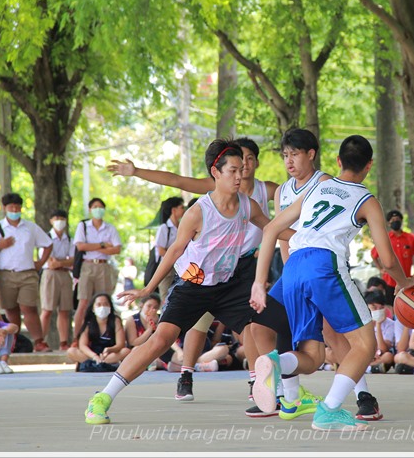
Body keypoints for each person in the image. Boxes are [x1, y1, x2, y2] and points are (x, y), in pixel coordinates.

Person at [84, 139, 293, 425]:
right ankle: (103, 397)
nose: (239, 175)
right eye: (232, 170)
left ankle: (272, 392)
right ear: (215, 173)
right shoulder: (198, 211)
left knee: (262, 324)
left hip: (230, 285)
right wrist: (148, 288)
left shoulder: (248, 204)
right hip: (192, 287)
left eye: (241, 169)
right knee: (161, 340)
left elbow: (274, 230)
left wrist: (315, 236)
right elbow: (174, 250)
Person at [249, 135, 414, 431]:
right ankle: (329, 410)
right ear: (369, 166)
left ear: (338, 162)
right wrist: (405, 283)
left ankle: (276, 364)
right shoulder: (367, 200)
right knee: (365, 344)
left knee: (311, 358)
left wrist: (259, 283)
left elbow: (272, 228)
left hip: (294, 268)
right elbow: (388, 260)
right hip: (324, 266)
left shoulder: (317, 187)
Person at [0, 192, 53, 352]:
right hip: (4, 274)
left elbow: (48, 243)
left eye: (17, 207)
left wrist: (40, 263)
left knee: (29, 307)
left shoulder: (30, 227)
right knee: (11, 309)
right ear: (4, 208)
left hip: (27, 273)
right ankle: (14, 341)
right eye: (11, 207)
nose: (14, 210)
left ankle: (39, 341)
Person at [73, 197, 122, 338]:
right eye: (95, 207)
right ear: (90, 209)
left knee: (104, 301)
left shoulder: (110, 228)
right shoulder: (83, 226)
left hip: (104, 266)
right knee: (83, 302)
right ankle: (77, 337)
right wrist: (102, 245)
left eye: (100, 207)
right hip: (87, 266)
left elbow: (117, 249)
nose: (98, 210)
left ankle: (106, 336)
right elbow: (81, 246)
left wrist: (97, 248)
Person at [39, 209, 75, 351]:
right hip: (50, 275)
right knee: (47, 309)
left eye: (62, 218)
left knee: (65, 310)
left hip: (65, 275)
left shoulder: (70, 239)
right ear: (51, 221)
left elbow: (72, 259)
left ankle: (64, 342)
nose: (59, 221)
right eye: (56, 218)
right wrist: (63, 261)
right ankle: (40, 341)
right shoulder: (46, 238)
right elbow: (49, 262)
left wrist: (60, 262)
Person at [67, 293, 130, 372]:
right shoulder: (89, 322)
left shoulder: (115, 321)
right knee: (71, 351)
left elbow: (120, 344)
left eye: (105, 304)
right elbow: (82, 345)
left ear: (110, 307)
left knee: (126, 351)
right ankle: (99, 363)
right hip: (91, 355)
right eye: (99, 305)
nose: (102, 307)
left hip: (109, 354)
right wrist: (94, 356)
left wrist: (109, 350)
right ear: (93, 308)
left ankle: (95, 364)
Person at [370, 210, 414, 285]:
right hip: (388, 281)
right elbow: (374, 255)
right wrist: (380, 269)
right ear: (388, 223)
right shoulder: (385, 239)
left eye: (397, 219)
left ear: (401, 221)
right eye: (393, 220)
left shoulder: (410, 238)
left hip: (406, 281)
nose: (395, 221)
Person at [124, 294, 168, 371]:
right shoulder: (132, 320)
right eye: (149, 306)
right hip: (138, 350)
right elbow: (133, 342)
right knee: (136, 349)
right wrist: (149, 330)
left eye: (155, 307)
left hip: (156, 350)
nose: (152, 309)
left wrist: (156, 325)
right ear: (142, 305)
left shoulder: (160, 318)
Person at [153, 197, 186, 299]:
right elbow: (160, 250)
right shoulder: (164, 228)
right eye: (182, 207)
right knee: (165, 298)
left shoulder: (183, 226)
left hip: (181, 267)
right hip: (167, 268)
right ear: (174, 210)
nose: (184, 210)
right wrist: (175, 256)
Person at [364, 290, 395, 374]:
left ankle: (365, 368)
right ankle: (371, 368)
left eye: (381, 308)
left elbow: (383, 349)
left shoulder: (390, 324)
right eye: (374, 307)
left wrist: (378, 325)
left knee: (388, 357)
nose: (377, 310)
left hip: (380, 355)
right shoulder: (361, 323)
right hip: (364, 354)